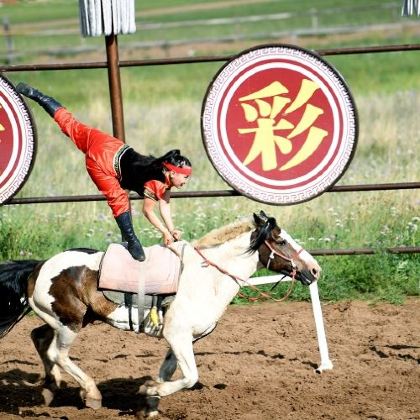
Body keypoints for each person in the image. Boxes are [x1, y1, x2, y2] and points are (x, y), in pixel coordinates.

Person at [16, 83, 192, 262]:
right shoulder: (155, 183)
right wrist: (164, 232)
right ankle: (132, 241)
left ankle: (37, 95)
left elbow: (165, 205)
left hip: (109, 144)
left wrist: (172, 229)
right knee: (118, 198)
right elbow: (148, 211)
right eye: (185, 177)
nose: (187, 180)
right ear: (171, 173)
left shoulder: (161, 172)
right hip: (102, 163)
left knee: (71, 124)